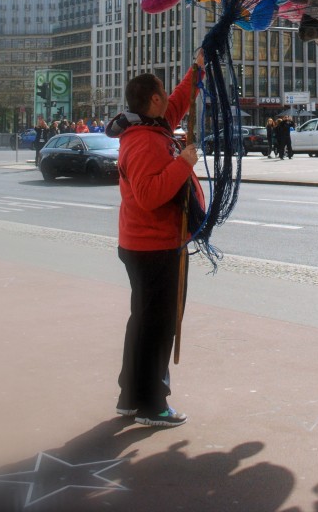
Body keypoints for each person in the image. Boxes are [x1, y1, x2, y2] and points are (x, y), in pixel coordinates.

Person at [105, 51, 205, 429]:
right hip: (154, 247)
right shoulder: (145, 142)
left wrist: (197, 70)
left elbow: (180, 100)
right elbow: (148, 196)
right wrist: (184, 163)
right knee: (160, 325)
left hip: (151, 244)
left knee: (144, 322)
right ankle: (152, 404)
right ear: (152, 101)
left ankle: (130, 396)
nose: (168, 97)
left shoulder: (154, 127)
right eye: (162, 92)